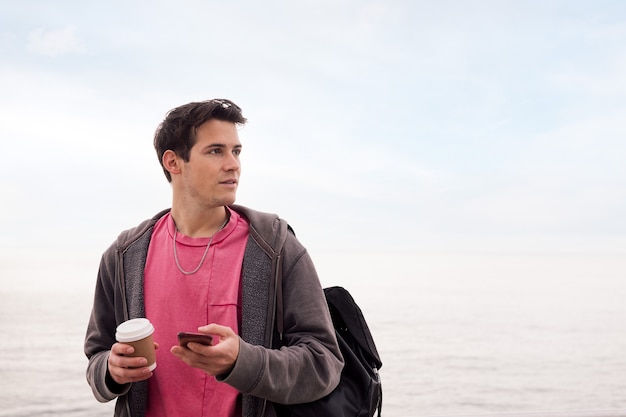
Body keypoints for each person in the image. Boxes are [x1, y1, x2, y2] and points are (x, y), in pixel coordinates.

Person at [84, 98, 344, 417]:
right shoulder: (124, 255)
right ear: (174, 162)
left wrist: (242, 363)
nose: (233, 164)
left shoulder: (275, 247)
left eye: (236, 151)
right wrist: (111, 370)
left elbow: (324, 363)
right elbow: (97, 357)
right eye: (216, 151)